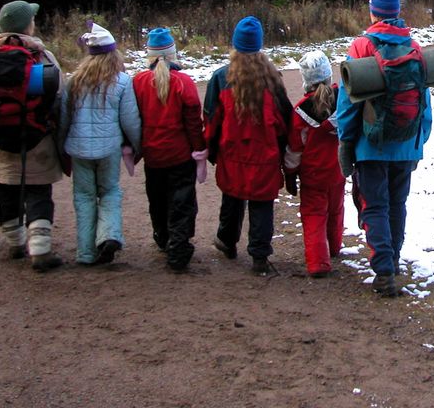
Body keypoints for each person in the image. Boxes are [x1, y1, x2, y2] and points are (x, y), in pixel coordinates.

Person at [336, 0, 432, 297]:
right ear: (397, 12)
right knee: (397, 205)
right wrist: (419, 142)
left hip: (370, 146)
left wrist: (345, 142)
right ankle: (394, 258)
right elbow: (424, 101)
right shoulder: (414, 47)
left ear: (373, 10)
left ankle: (384, 269)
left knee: (375, 206)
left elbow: (349, 103)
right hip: (406, 144)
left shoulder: (362, 46)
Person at [0, 0, 65, 272]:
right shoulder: (42, 55)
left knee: (5, 192)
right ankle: (41, 250)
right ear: (27, 24)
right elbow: (59, 96)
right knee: (38, 192)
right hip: (37, 136)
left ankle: (15, 243)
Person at [204, 16, 292, 275]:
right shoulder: (272, 79)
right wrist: (284, 149)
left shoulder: (221, 78)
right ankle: (260, 255)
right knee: (261, 203)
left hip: (232, 153)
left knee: (232, 196)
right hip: (265, 155)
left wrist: (210, 149)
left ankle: (227, 241)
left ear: (235, 45)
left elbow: (211, 117)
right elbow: (285, 119)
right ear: (259, 46)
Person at [58, 23, 141, 266]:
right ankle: (109, 236)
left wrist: (61, 146)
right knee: (110, 192)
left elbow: (64, 119)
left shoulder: (74, 81)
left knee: (83, 197)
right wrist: (137, 146)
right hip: (109, 149)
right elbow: (130, 120)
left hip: (78, 150)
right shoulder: (123, 82)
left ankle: (85, 252)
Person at [132, 27, 206, 272]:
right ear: (173, 54)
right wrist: (199, 149)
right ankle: (179, 245)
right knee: (182, 202)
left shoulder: (140, 82)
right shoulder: (183, 82)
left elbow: (134, 119)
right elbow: (194, 121)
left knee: (158, 198)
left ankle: (163, 237)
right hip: (180, 154)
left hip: (153, 155)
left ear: (150, 55)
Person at [284, 50, 345, 278]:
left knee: (314, 214)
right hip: (338, 169)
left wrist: (290, 173)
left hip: (312, 174)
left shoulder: (301, 111)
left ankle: (318, 262)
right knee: (335, 209)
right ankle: (335, 246)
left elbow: (294, 149)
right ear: (329, 75)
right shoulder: (343, 101)